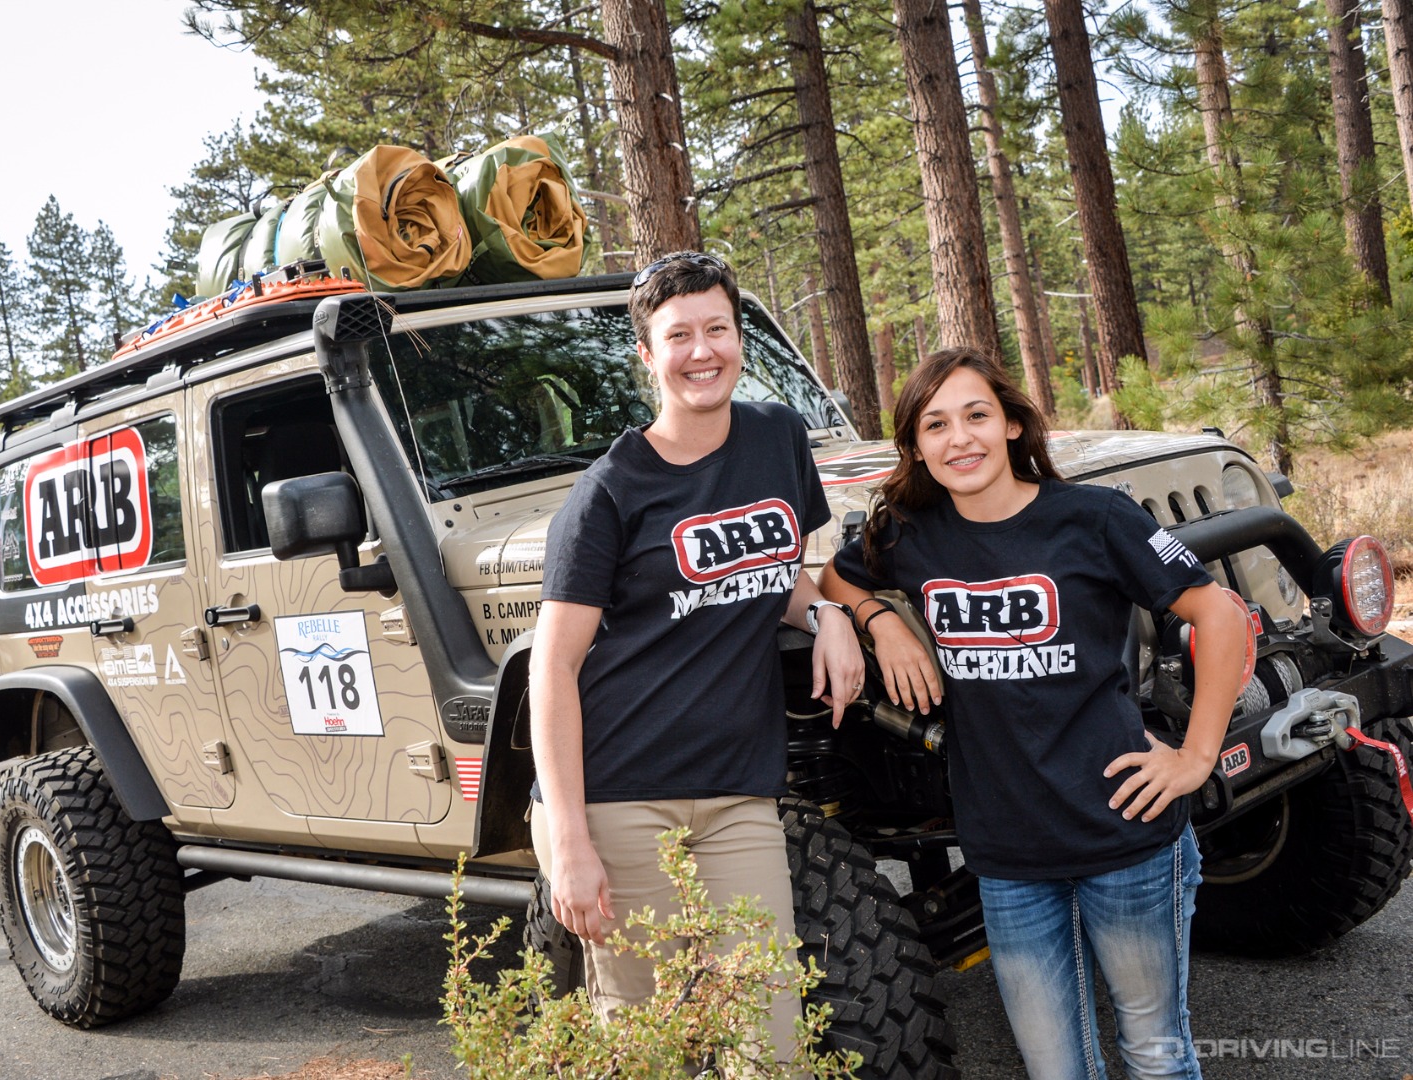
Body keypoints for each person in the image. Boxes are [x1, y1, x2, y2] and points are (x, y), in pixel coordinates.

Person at [820, 347, 1248, 1080]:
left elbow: (1222, 612)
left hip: (1127, 834)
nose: (961, 439)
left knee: (1155, 1052)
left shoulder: (1093, 518)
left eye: (977, 415)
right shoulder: (909, 533)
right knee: (1055, 1070)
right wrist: (876, 620)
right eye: (936, 425)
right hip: (1007, 853)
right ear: (916, 447)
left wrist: (1197, 755)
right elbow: (832, 574)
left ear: (1014, 424)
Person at [528, 251, 864, 1067]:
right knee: (657, 1050)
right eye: (679, 335)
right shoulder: (609, 490)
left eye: (718, 328)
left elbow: (771, 570)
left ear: (739, 338)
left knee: (771, 1043)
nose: (702, 351)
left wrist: (829, 612)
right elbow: (553, 668)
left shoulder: (777, 438)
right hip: (622, 800)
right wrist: (568, 840)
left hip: (738, 794)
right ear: (648, 355)